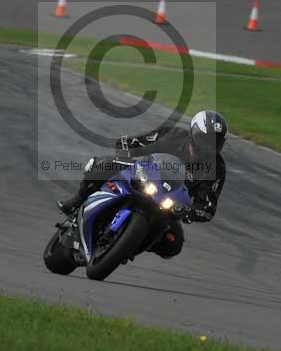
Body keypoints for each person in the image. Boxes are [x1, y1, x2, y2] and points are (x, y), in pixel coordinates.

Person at [57, 110, 227, 259]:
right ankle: (77, 201)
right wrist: (126, 148)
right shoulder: (173, 135)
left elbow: (207, 208)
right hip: (142, 177)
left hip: (169, 204)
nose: (209, 146)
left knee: (174, 245)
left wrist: (188, 211)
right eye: (205, 140)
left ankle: (132, 243)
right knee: (101, 164)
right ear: (193, 134)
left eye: (215, 142)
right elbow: (142, 141)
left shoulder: (217, 169)